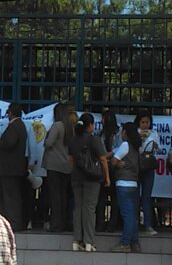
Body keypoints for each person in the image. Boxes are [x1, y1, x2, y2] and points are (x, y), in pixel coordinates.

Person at [69, 113, 110, 252]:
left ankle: (76, 240)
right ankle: (88, 241)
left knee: (78, 207)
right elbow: (103, 159)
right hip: (92, 179)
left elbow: (71, 160)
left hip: (76, 177)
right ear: (91, 125)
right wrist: (107, 177)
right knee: (89, 209)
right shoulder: (95, 140)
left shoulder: (73, 140)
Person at [0, 102, 29, 231]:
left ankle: (13, 223)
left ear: (11, 113)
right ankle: (13, 222)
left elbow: (9, 142)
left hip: (9, 168)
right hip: (14, 168)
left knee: (10, 197)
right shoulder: (21, 125)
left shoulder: (14, 126)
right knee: (12, 196)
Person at [109, 122, 142, 253]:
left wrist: (118, 164)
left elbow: (114, 161)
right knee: (132, 215)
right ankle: (135, 243)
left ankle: (125, 243)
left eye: (122, 131)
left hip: (123, 183)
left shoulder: (125, 145)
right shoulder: (135, 146)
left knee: (127, 215)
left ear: (125, 133)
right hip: (134, 183)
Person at [42, 103, 75, 233]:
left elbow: (49, 143)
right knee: (63, 194)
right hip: (66, 165)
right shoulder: (70, 127)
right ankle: (64, 222)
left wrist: (45, 140)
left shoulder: (57, 125)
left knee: (55, 196)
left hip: (54, 165)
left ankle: (56, 225)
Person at [135, 110, 159, 236]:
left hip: (149, 164)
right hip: (137, 164)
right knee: (134, 195)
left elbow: (159, 149)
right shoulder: (135, 132)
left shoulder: (154, 133)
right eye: (143, 122)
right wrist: (140, 137)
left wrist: (155, 145)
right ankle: (134, 223)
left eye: (147, 122)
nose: (145, 125)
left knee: (147, 196)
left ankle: (148, 225)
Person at [96, 108, 120, 233]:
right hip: (103, 167)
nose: (101, 121)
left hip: (113, 167)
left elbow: (119, 149)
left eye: (103, 118)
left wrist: (107, 155)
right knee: (102, 198)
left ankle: (111, 224)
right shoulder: (100, 134)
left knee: (113, 198)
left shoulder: (118, 133)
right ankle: (101, 224)